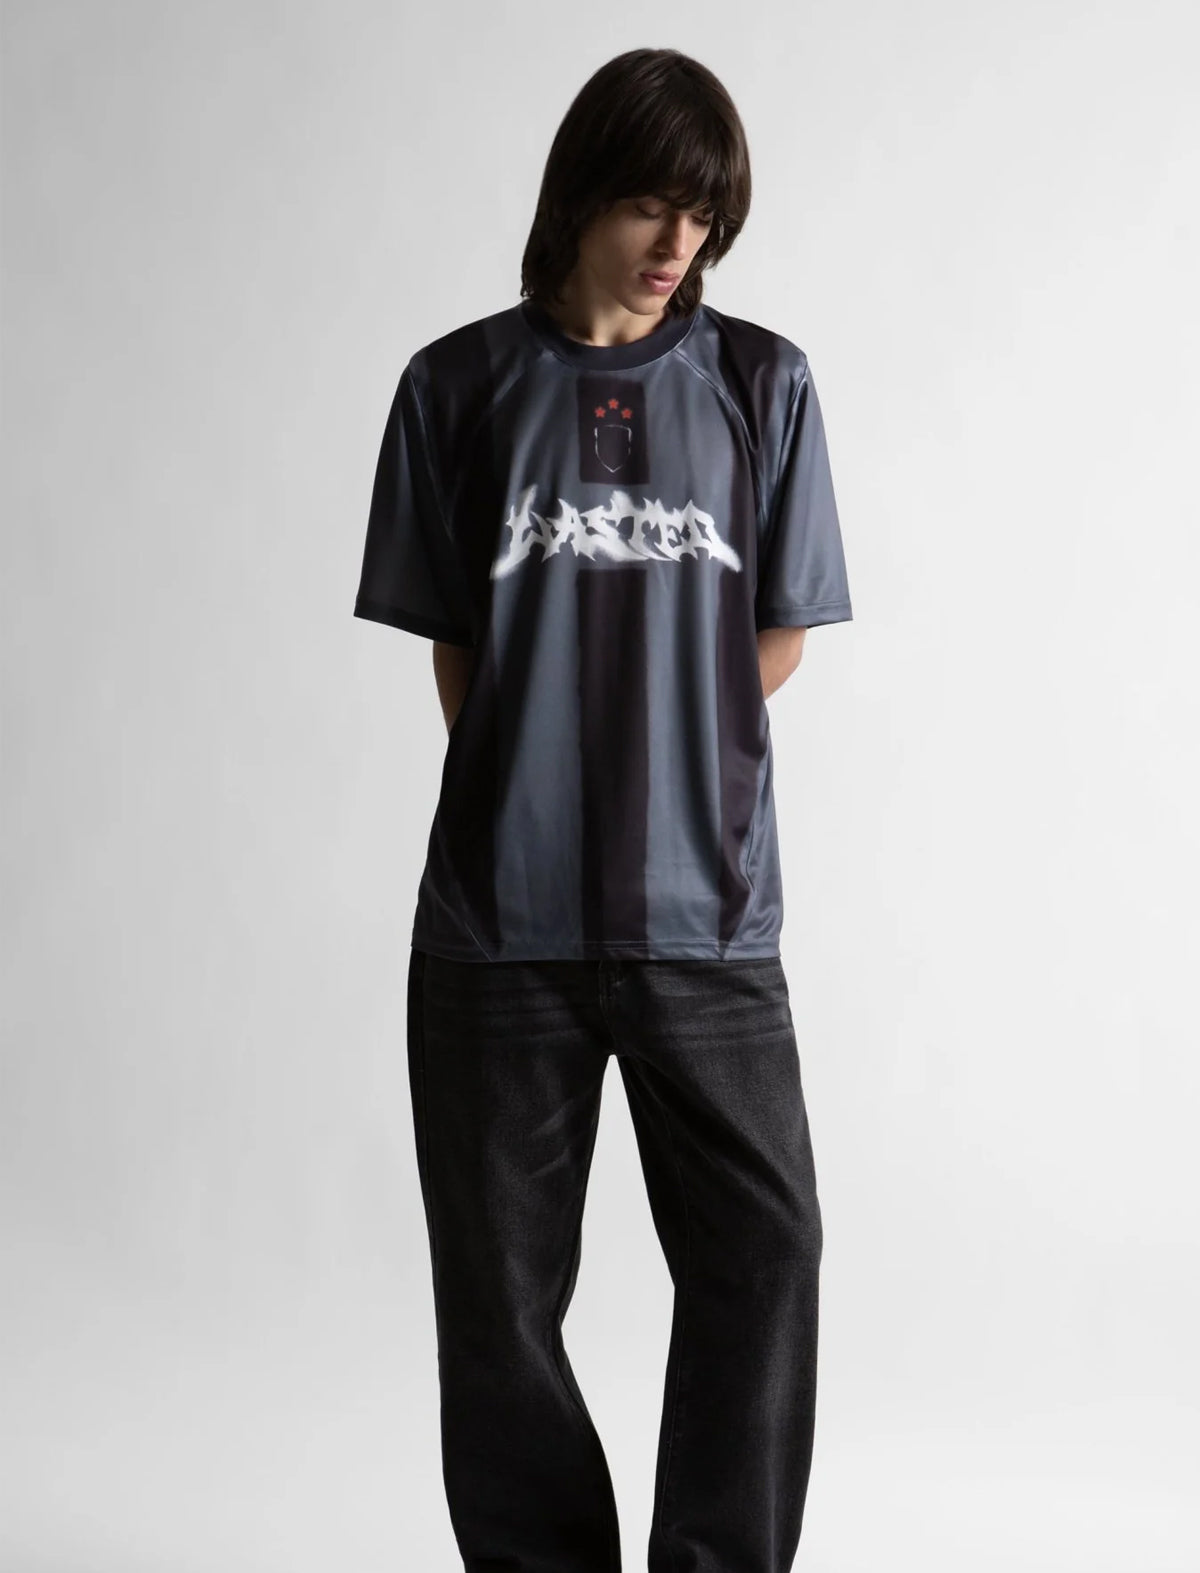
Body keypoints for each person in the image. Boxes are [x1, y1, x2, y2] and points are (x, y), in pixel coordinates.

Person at [353, 46, 853, 1573]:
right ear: (579, 196)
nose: (678, 245)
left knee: (767, 1253)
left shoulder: (763, 383)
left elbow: (778, 631)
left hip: (711, 925)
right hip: (497, 935)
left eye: (705, 218)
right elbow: (458, 645)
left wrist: (672, 741)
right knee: (500, 1303)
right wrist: (542, 772)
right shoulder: (453, 390)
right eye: (651, 206)